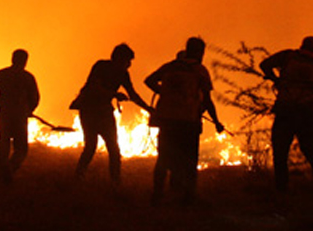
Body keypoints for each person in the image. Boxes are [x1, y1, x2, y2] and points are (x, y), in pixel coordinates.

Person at [144, 37, 224, 205]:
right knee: (189, 160)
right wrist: (216, 122)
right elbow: (207, 100)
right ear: (199, 52)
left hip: (167, 120)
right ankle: (189, 197)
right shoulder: (199, 70)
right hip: (188, 121)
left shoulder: (170, 67)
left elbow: (149, 80)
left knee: (163, 159)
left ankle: (157, 195)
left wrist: (163, 92)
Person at [259, 36, 313, 193]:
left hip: (286, 111)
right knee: (310, 149)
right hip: (307, 114)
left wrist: (276, 80)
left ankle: (282, 190)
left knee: (280, 152)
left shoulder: (288, 56)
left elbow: (265, 64)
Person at [71, 43, 152, 185]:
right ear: (119, 58)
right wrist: (114, 94)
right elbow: (94, 88)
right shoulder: (101, 66)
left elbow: (132, 94)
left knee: (113, 149)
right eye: (128, 61)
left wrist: (148, 109)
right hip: (90, 110)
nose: (129, 65)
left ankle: (115, 181)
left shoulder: (123, 74)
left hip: (104, 112)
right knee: (91, 146)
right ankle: (79, 176)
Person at [0, 49, 40, 183]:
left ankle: (4, 171)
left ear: (12, 59)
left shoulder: (2, 74)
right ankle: (9, 170)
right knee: (21, 148)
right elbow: (35, 98)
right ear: (25, 61)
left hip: (5, 114)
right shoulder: (28, 77)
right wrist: (29, 109)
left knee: (4, 144)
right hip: (20, 116)